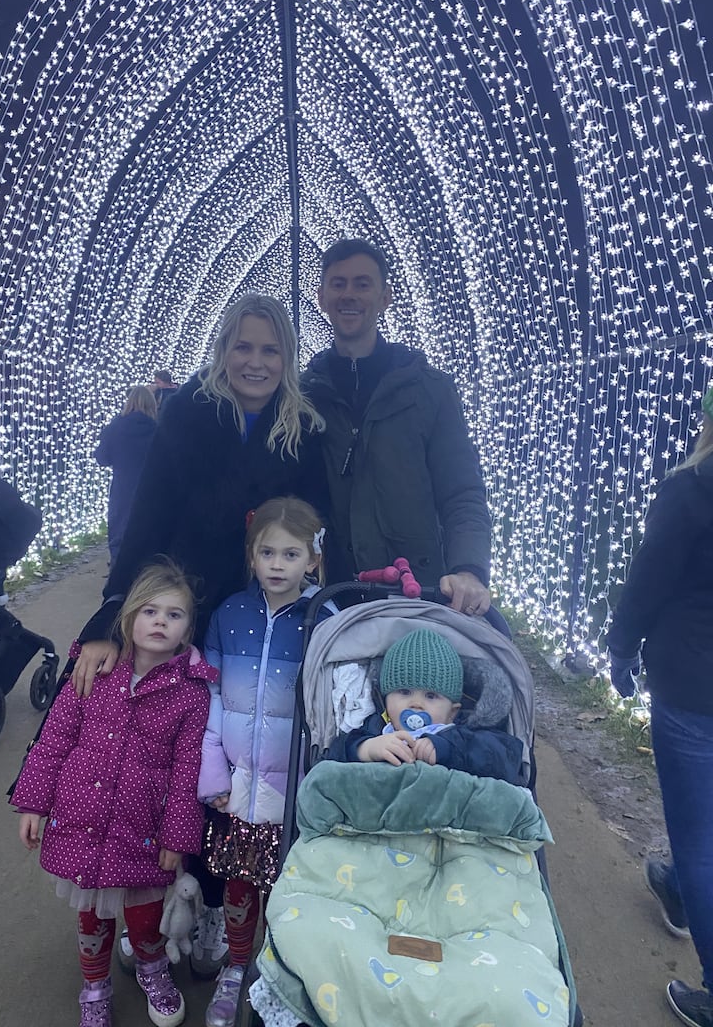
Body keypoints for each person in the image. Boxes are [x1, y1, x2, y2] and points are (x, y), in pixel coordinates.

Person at [73, 293, 327, 980]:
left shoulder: (301, 425)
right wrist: (110, 614)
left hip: (256, 622)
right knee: (167, 758)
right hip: (186, 608)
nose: (255, 361)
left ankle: (218, 903)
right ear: (222, 350)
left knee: (238, 760)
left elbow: (315, 525)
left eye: (270, 350)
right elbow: (149, 512)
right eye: (243, 347)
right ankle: (153, 902)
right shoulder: (188, 412)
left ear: (287, 358)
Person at [10, 559, 217, 1027]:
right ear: (127, 618)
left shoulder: (190, 693)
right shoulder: (95, 672)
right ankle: (95, 987)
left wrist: (176, 837)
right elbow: (54, 740)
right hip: (80, 817)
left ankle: (152, 968)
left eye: (174, 614)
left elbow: (188, 770)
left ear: (187, 630)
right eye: (149, 611)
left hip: (141, 827)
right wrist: (33, 803)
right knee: (91, 916)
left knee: (145, 917)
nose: (160, 621)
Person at [196, 496, 333, 1027]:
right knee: (237, 883)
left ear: (312, 560)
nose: (278, 565)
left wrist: (315, 787)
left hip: (295, 792)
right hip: (236, 786)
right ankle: (235, 967)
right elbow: (208, 702)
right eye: (267, 552)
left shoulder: (326, 619)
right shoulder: (229, 615)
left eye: (291, 554)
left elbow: (332, 712)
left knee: (287, 887)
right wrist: (212, 778)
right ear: (251, 556)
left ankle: (278, 976)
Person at [302, 237, 492, 616]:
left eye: (362, 283)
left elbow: (462, 492)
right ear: (322, 297)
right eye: (338, 284)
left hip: (420, 592)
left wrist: (468, 569)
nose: (349, 295)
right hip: (332, 596)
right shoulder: (303, 396)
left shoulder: (429, 391)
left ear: (385, 297)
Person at [607, 385, 713, 1027]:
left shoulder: (694, 490)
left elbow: (649, 579)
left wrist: (620, 648)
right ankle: (676, 884)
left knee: (701, 842)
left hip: (693, 684)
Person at [328, 627, 522, 783]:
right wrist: (365, 749)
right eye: (404, 692)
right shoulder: (377, 729)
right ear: (385, 700)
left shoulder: (463, 735)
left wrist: (448, 748)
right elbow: (332, 757)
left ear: (452, 712)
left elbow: (507, 759)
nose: (416, 703)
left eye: (431, 696)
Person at [94, 385, 158, 565]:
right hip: (151, 491)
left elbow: (102, 458)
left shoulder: (115, 427)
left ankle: (117, 583)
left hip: (122, 490)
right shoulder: (158, 429)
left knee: (119, 538)